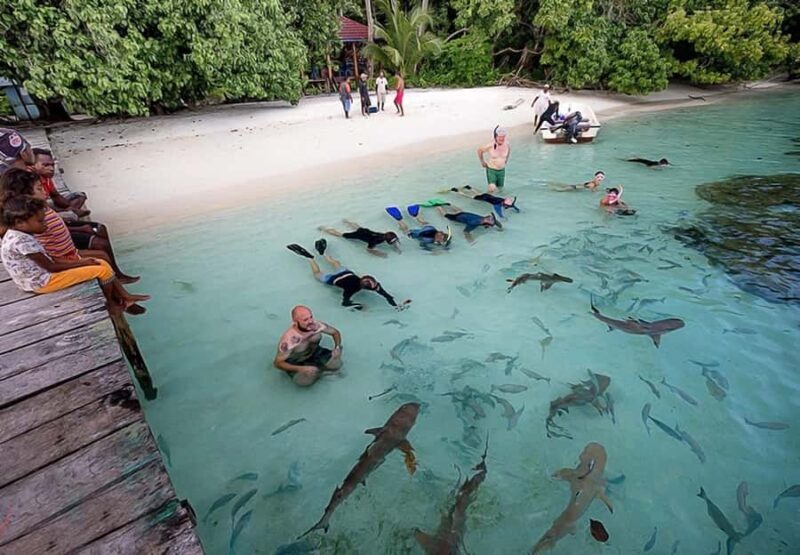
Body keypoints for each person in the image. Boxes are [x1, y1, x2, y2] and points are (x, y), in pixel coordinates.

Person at [0, 195, 149, 315]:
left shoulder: (19, 234)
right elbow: (51, 267)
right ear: (19, 223)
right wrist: (82, 263)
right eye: (40, 221)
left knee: (100, 262)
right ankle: (111, 304)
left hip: (39, 275)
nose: (45, 224)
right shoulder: (22, 241)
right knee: (101, 270)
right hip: (41, 281)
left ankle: (124, 297)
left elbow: (49, 261)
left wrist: (85, 262)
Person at [1, 168, 139, 283]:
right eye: (39, 189)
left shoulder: (38, 207)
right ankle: (116, 286)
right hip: (61, 253)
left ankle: (117, 281)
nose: (45, 191)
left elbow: (55, 224)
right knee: (101, 253)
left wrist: (77, 226)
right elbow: (45, 244)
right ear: (26, 194)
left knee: (100, 238)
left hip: (66, 246)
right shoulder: (30, 219)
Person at [286, 243, 411, 310]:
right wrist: (358, 306)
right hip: (334, 280)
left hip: (346, 273)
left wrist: (396, 305)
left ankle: (323, 254)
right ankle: (310, 258)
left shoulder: (370, 283)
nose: (376, 286)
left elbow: (386, 295)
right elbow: (345, 302)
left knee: (336, 264)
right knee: (317, 274)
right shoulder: (353, 289)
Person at [273, 305, 343, 387]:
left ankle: (320, 371)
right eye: (305, 320)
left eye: (311, 317)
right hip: (297, 361)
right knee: (304, 383)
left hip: (315, 352)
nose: (310, 321)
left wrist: (337, 347)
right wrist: (301, 369)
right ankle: (320, 373)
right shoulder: (288, 341)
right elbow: (277, 363)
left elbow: (335, 332)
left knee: (336, 365)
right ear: (295, 322)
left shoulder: (317, 326)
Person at [32, 149, 90, 218]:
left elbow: (56, 196)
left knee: (80, 196)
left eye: (52, 165)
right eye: (46, 165)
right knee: (71, 215)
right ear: (33, 165)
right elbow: (40, 206)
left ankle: (71, 213)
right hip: (39, 210)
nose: (51, 168)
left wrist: (69, 208)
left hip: (47, 205)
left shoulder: (46, 178)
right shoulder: (31, 181)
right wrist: (65, 210)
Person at [319, 220, 400, 257]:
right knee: (341, 234)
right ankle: (324, 229)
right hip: (358, 235)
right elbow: (368, 250)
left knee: (358, 228)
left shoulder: (384, 235)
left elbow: (391, 238)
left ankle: (346, 221)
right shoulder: (375, 241)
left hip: (365, 231)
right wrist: (379, 253)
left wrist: (396, 248)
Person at [385, 205, 451, 250]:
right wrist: (431, 250)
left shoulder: (435, 232)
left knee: (423, 222)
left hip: (428, 228)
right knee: (405, 228)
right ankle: (399, 219)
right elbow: (422, 245)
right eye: (440, 240)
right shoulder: (427, 239)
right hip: (413, 233)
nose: (439, 241)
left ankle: (416, 214)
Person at [435, 205, 502, 243]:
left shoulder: (484, 218)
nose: (490, 218)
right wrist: (470, 240)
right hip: (459, 217)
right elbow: (465, 232)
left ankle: (448, 204)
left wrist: (501, 228)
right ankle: (438, 207)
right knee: (445, 215)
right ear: (487, 224)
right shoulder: (474, 223)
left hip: (465, 214)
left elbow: (495, 222)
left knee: (459, 210)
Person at [449, 185, 519, 218]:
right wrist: (502, 217)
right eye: (508, 206)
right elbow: (499, 212)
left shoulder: (504, 200)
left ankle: (470, 188)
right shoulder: (497, 205)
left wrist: (517, 209)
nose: (508, 206)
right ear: (505, 204)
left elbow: (512, 205)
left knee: (479, 193)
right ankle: (457, 191)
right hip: (484, 198)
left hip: (487, 195)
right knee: (469, 196)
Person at [477, 126, 510, 193]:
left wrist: (506, 160)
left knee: (500, 189)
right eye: (500, 136)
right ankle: (488, 197)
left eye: (503, 136)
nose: (501, 138)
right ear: (495, 136)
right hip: (492, 170)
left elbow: (509, 151)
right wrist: (482, 162)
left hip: (502, 171)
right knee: (492, 188)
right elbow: (479, 150)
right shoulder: (490, 145)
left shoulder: (507, 144)